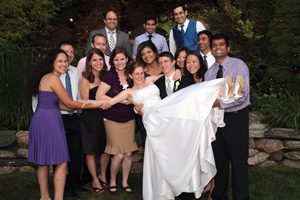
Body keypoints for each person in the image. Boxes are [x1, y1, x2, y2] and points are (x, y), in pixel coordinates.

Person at [93, 61, 244, 200]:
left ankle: (224, 91)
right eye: (136, 74)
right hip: (153, 122)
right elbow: (109, 101)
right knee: (164, 152)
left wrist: (177, 71)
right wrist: (84, 103)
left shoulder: (149, 81)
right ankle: (166, 189)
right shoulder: (128, 93)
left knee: (187, 94)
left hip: (165, 115)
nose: (139, 76)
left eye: (141, 73)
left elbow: (167, 72)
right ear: (130, 76)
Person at [27, 49, 104, 200]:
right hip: (49, 121)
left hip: (42, 118)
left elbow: (59, 105)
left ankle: (45, 197)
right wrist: (94, 104)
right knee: (61, 161)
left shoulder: (46, 77)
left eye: (66, 61)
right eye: (60, 61)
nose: (64, 64)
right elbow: (68, 103)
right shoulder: (53, 78)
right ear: (51, 62)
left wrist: (81, 104)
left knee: (43, 162)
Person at [204, 34, 250, 200]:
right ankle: (219, 196)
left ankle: (241, 196)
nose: (218, 47)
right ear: (211, 49)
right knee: (219, 161)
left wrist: (219, 104)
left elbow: (243, 95)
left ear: (228, 48)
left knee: (238, 162)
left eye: (221, 44)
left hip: (236, 119)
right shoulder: (210, 73)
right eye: (214, 45)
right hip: (217, 121)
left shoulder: (239, 66)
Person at [95, 46, 138, 194]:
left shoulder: (132, 74)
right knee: (118, 154)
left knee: (128, 154)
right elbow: (99, 96)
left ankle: (125, 182)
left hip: (129, 119)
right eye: (116, 59)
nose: (119, 62)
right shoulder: (110, 76)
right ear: (112, 61)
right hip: (112, 119)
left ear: (127, 59)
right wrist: (119, 100)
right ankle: (112, 180)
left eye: (122, 59)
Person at [79, 48, 110, 194]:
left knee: (106, 147)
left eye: (100, 59)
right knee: (90, 151)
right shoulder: (85, 79)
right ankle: (94, 180)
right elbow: (85, 103)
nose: (98, 62)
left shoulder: (107, 76)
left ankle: (102, 175)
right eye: (94, 60)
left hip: (106, 117)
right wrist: (103, 103)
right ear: (89, 63)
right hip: (90, 119)